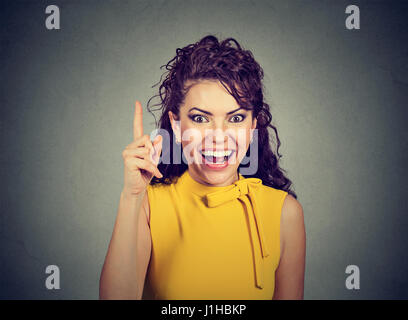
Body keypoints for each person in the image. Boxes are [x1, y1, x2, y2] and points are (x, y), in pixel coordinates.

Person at [99, 35, 305, 300]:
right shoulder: (148, 204)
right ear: (176, 124)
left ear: (253, 126)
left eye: (236, 118)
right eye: (200, 118)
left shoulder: (285, 213)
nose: (218, 136)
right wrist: (132, 197)